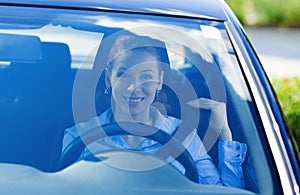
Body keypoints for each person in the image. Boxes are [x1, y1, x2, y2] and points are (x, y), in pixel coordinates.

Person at [62, 34, 247, 188]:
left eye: (146, 76)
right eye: (123, 74)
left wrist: (224, 135)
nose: (133, 87)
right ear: (109, 77)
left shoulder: (183, 136)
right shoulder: (79, 136)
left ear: (160, 80)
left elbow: (223, 193)